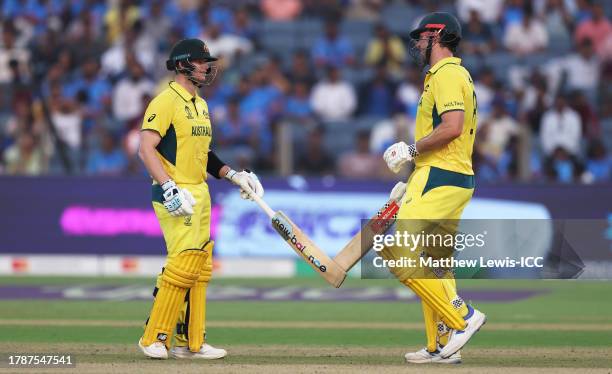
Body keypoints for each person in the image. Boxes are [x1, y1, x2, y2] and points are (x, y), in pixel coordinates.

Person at [137, 39, 264, 360]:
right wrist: (168, 187)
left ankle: (190, 343)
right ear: (182, 64)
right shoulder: (165, 101)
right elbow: (145, 148)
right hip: (174, 193)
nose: (207, 66)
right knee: (182, 264)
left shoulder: (201, 105)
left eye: (208, 61)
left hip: (200, 191)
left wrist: (234, 175)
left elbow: (204, 154)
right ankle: (153, 336)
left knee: (198, 266)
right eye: (200, 61)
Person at [381, 13, 486, 364]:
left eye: (421, 38)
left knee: (400, 252)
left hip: (439, 175)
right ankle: (439, 346)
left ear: (437, 36)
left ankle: (463, 316)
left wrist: (410, 151)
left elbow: (452, 127)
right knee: (437, 263)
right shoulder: (456, 74)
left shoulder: (446, 74)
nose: (416, 44)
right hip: (452, 177)